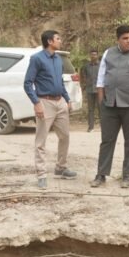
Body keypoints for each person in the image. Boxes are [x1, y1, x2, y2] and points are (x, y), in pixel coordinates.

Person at [90, 25, 129, 189]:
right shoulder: (108, 54)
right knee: (106, 140)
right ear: (118, 39)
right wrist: (102, 102)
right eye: (125, 38)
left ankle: (127, 175)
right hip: (109, 105)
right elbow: (101, 80)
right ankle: (101, 174)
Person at [23, 30, 78, 188]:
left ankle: (61, 168)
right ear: (49, 41)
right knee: (41, 140)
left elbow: (60, 82)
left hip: (60, 101)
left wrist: (67, 100)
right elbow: (27, 83)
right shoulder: (37, 59)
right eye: (58, 38)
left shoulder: (58, 59)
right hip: (44, 102)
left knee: (65, 136)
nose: (60, 41)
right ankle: (41, 174)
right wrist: (36, 103)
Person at [80, 49, 100, 132]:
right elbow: (83, 76)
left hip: (99, 91)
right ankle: (91, 127)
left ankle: (104, 127)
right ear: (90, 55)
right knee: (90, 109)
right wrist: (85, 84)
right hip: (89, 90)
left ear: (97, 55)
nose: (93, 56)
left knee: (101, 109)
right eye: (92, 54)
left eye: (95, 54)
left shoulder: (101, 66)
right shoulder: (86, 66)